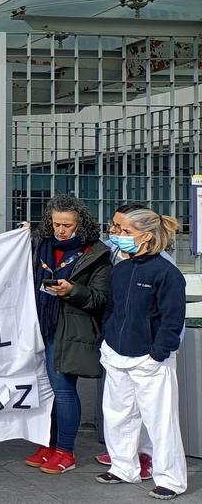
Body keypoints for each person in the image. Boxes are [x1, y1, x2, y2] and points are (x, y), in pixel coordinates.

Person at [13, 195, 111, 476]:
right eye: (56, 224)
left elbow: (101, 298)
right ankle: (49, 444)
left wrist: (73, 291)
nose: (61, 230)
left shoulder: (96, 254)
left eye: (67, 225)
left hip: (70, 330)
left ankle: (65, 451)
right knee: (47, 392)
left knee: (64, 391)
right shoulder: (41, 244)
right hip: (42, 326)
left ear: (81, 224)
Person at [95, 209, 187, 500]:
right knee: (117, 415)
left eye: (125, 232)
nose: (118, 236)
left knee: (161, 422)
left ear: (146, 235)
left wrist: (157, 354)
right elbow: (113, 308)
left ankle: (171, 479)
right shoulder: (121, 269)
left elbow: (173, 319)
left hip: (149, 359)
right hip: (117, 354)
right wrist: (106, 341)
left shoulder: (166, 272)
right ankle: (123, 467)